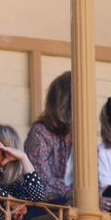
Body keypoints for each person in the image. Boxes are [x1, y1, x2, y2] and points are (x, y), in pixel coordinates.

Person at [23, 72, 73, 207]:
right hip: (45, 208)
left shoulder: (84, 138)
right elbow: (41, 182)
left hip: (76, 208)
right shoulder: (41, 132)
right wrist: (72, 193)